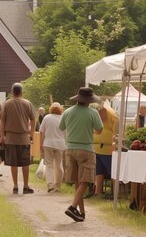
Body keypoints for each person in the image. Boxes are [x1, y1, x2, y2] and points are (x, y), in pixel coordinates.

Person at [59, 87, 103, 222]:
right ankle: (72, 207)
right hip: (86, 150)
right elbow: (99, 130)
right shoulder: (93, 112)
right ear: (89, 101)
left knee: (78, 182)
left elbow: (61, 127)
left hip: (70, 149)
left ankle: (81, 212)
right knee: (86, 181)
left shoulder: (67, 111)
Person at [0, 83, 36, 194]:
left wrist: (2, 136)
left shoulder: (7, 103)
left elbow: (2, 121)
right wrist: (32, 134)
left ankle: (15, 186)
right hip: (24, 137)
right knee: (25, 163)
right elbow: (33, 120)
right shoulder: (28, 103)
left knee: (13, 163)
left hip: (10, 137)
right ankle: (25, 186)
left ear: (12, 92)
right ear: (21, 92)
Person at [91, 102, 117, 199]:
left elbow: (115, 132)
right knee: (99, 171)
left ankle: (115, 192)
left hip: (107, 148)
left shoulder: (111, 115)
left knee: (112, 171)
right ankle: (98, 192)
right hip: (97, 148)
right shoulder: (102, 115)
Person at [39, 102, 65, 193]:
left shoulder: (47, 117)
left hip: (48, 143)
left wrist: (41, 144)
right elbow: (66, 134)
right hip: (60, 144)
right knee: (59, 165)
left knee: (49, 165)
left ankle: (50, 185)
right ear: (60, 110)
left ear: (51, 109)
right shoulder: (63, 118)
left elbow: (42, 132)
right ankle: (57, 186)